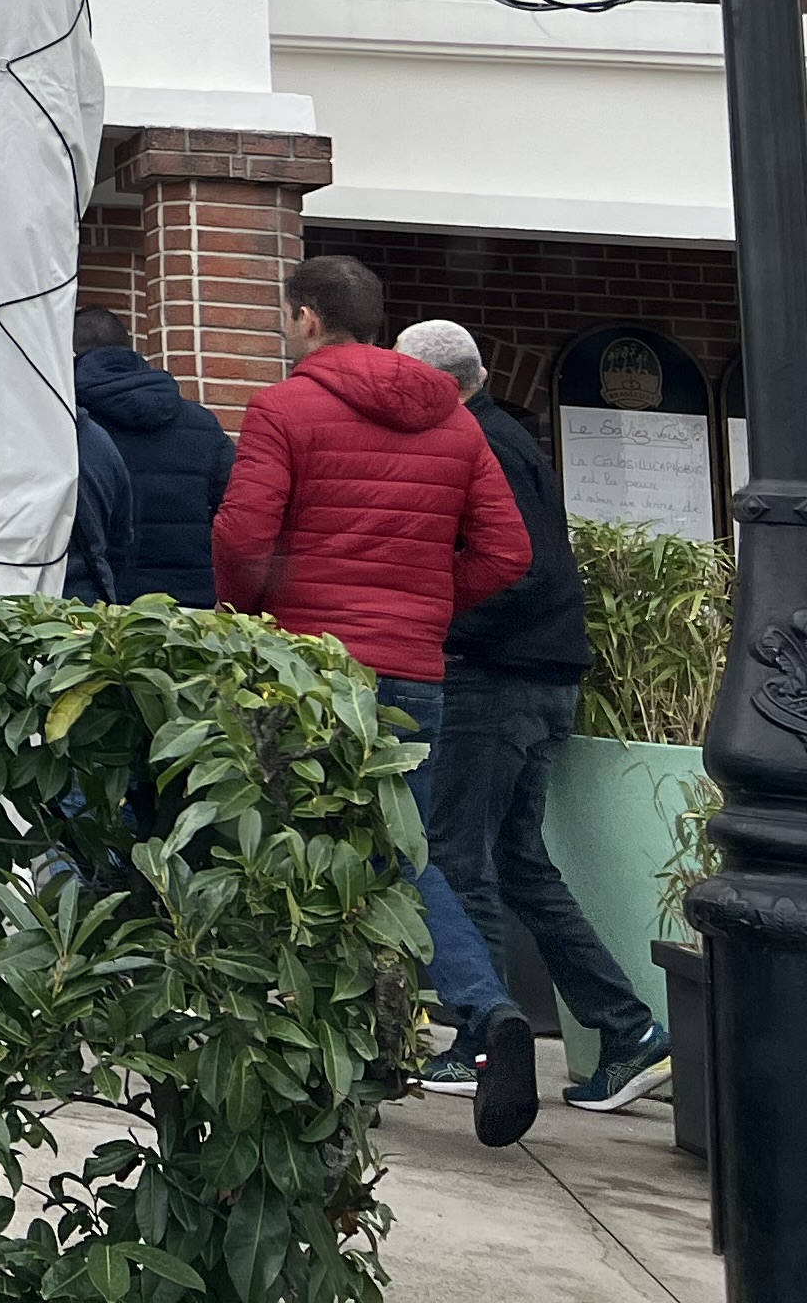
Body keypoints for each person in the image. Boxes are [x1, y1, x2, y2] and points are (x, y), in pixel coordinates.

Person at [214, 254, 538, 1145]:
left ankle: (306, 1051)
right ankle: (484, 1010)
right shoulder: (455, 422)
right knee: (402, 852)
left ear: (308, 318)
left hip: (308, 669)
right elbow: (508, 553)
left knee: (283, 849)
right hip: (414, 671)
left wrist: (252, 622)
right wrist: (423, 604)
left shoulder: (283, 409)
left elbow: (243, 536)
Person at [396, 317, 675, 1113]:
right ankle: (626, 1030)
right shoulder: (510, 436)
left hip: (496, 680)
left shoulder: (481, 444)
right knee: (519, 864)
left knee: (458, 860)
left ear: (437, 385)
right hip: (541, 676)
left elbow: (518, 571)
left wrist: (436, 617)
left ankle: (481, 1041)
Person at [74, 304, 232, 606]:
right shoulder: (203, 423)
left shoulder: (71, 426)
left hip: (99, 611)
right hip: (190, 608)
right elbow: (235, 511)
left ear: (71, 356)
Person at [67, 405, 139, 603]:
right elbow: (121, 539)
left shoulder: (2, 442)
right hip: (86, 599)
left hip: (10, 603)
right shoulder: (96, 440)